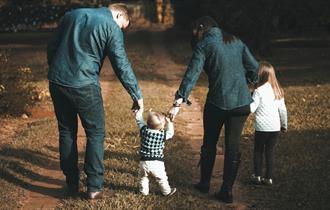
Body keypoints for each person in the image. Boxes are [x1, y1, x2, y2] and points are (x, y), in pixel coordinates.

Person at [47, 3, 143, 199]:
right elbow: (121, 65)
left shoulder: (71, 15)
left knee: (66, 131)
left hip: (57, 81)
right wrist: (136, 94)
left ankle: (71, 184)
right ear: (118, 14)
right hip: (84, 85)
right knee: (95, 133)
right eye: (123, 26)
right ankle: (94, 187)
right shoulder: (111, 27)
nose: (121, 30)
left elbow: (52, 46)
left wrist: (56, 70)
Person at [169, 16, 259, 203]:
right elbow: (255, 68)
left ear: (202, 28)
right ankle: (227, 191)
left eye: (195, 31)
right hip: (242, 104)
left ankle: (204, 183)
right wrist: (246, 83)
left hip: (217, 104)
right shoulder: (235, 40)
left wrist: (178, 102)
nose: (194, 35)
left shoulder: (204, 45)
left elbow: (191, 75)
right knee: (232, 148)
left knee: (209, 143)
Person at [249, 61, 288, 186]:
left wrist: (248, 99)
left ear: (260, 75)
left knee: (258, 151)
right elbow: (283, 110)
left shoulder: (258, 91)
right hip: (275, 128)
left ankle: (257, 176)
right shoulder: (278, 91)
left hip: (262, 128)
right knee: (270, 152)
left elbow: (252, 108)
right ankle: (269, 178)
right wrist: (284, 125)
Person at [134, 109, 177, 196]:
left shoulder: (144, 130)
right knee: (162, 178)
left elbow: (139, 121)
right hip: (157, 163)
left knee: (143, 178)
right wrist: (170, 123)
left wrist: (137, 113)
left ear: (148, 123)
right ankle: (167, 191)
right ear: (161, 127)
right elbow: (170, 133)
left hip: (144, 162)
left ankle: (143, 192)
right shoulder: (162, 135)